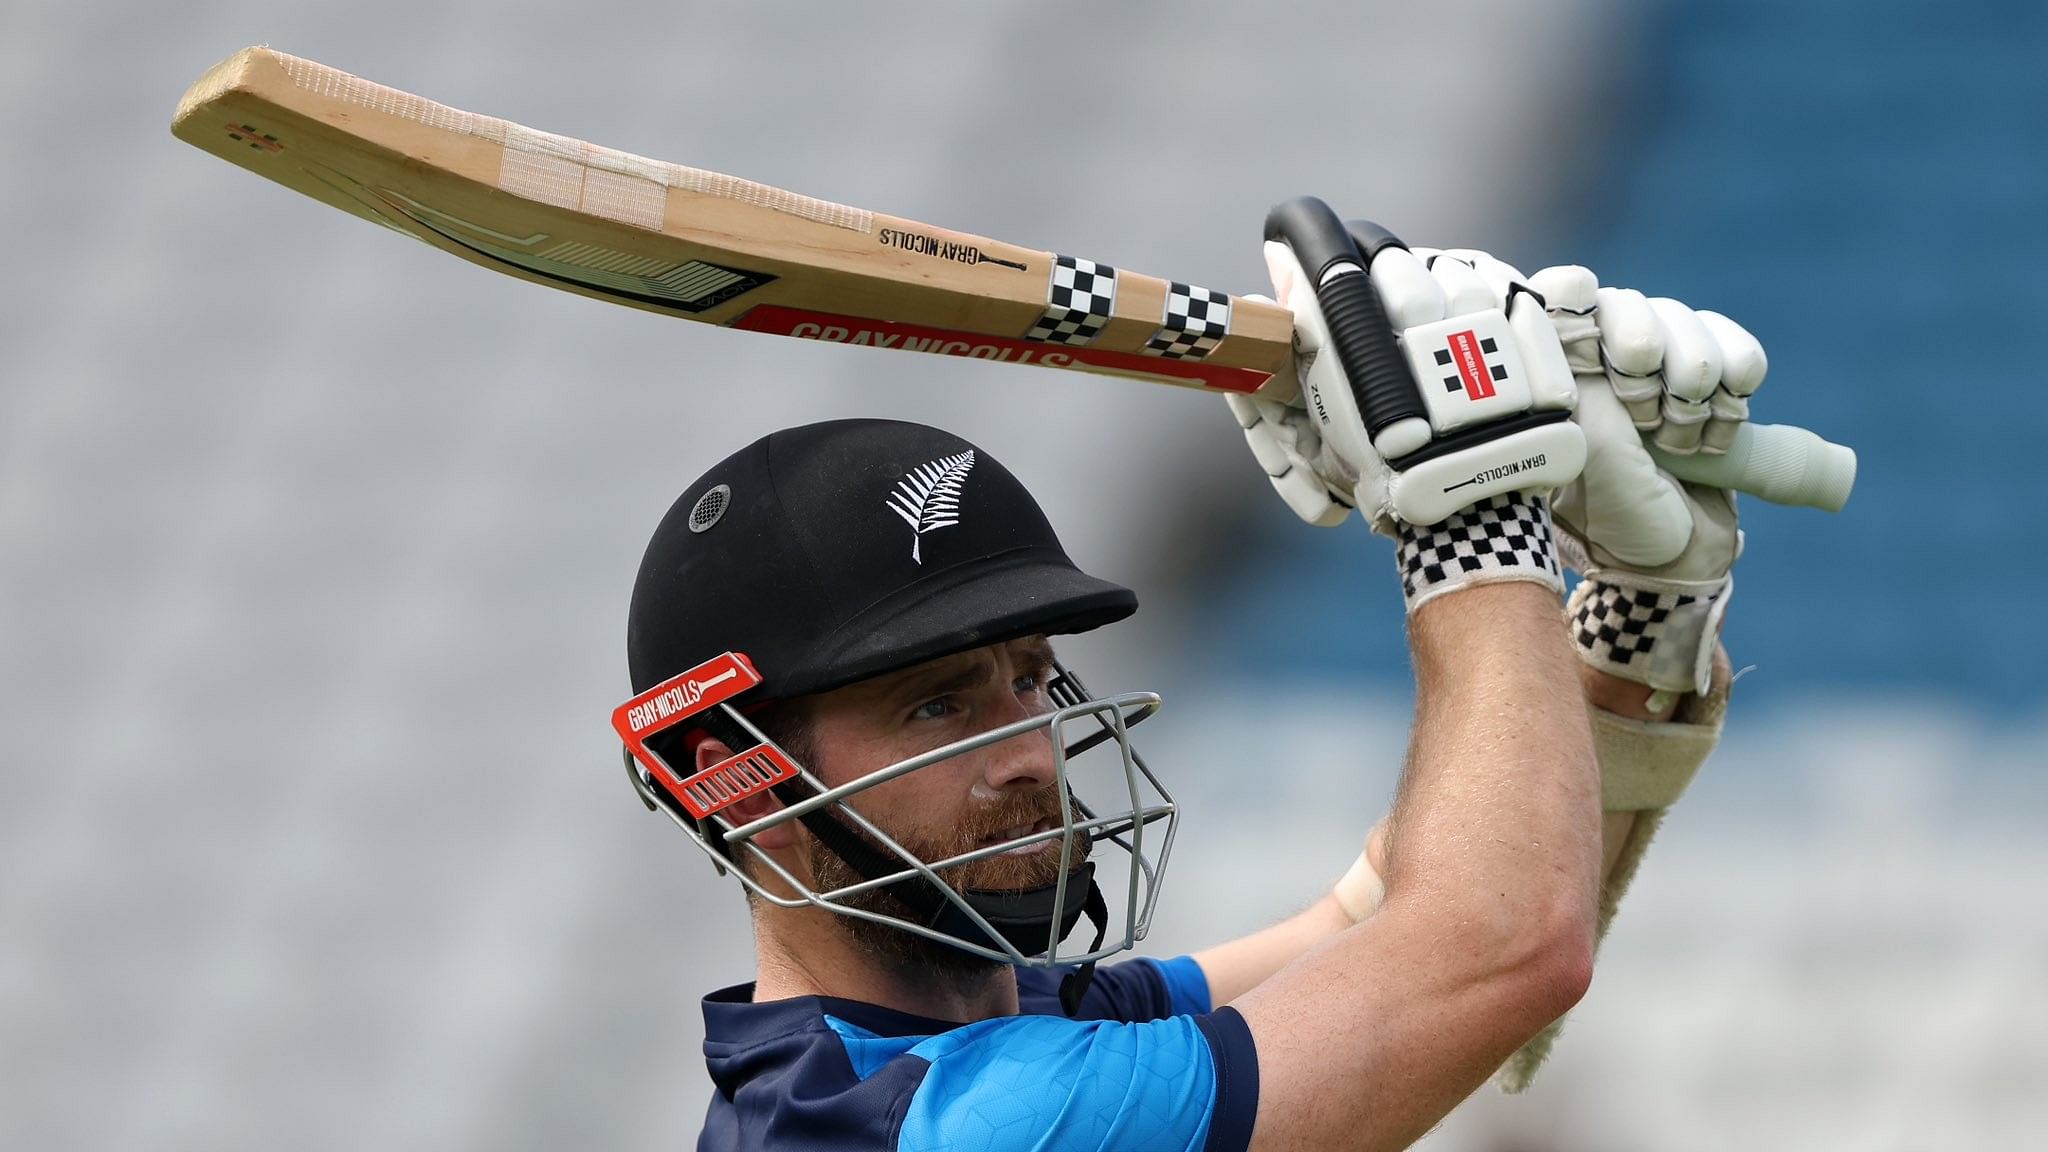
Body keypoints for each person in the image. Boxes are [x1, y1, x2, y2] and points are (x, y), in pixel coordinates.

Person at [614, 234, 1758, 1151]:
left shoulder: (978, 1034)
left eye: (1029, 680)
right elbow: (1497, 948)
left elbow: (1372, 924)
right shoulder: (964, 1122)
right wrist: (1476, 498)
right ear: (736, 777)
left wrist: (1640, 611)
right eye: (936, 706)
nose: (1028, 750)